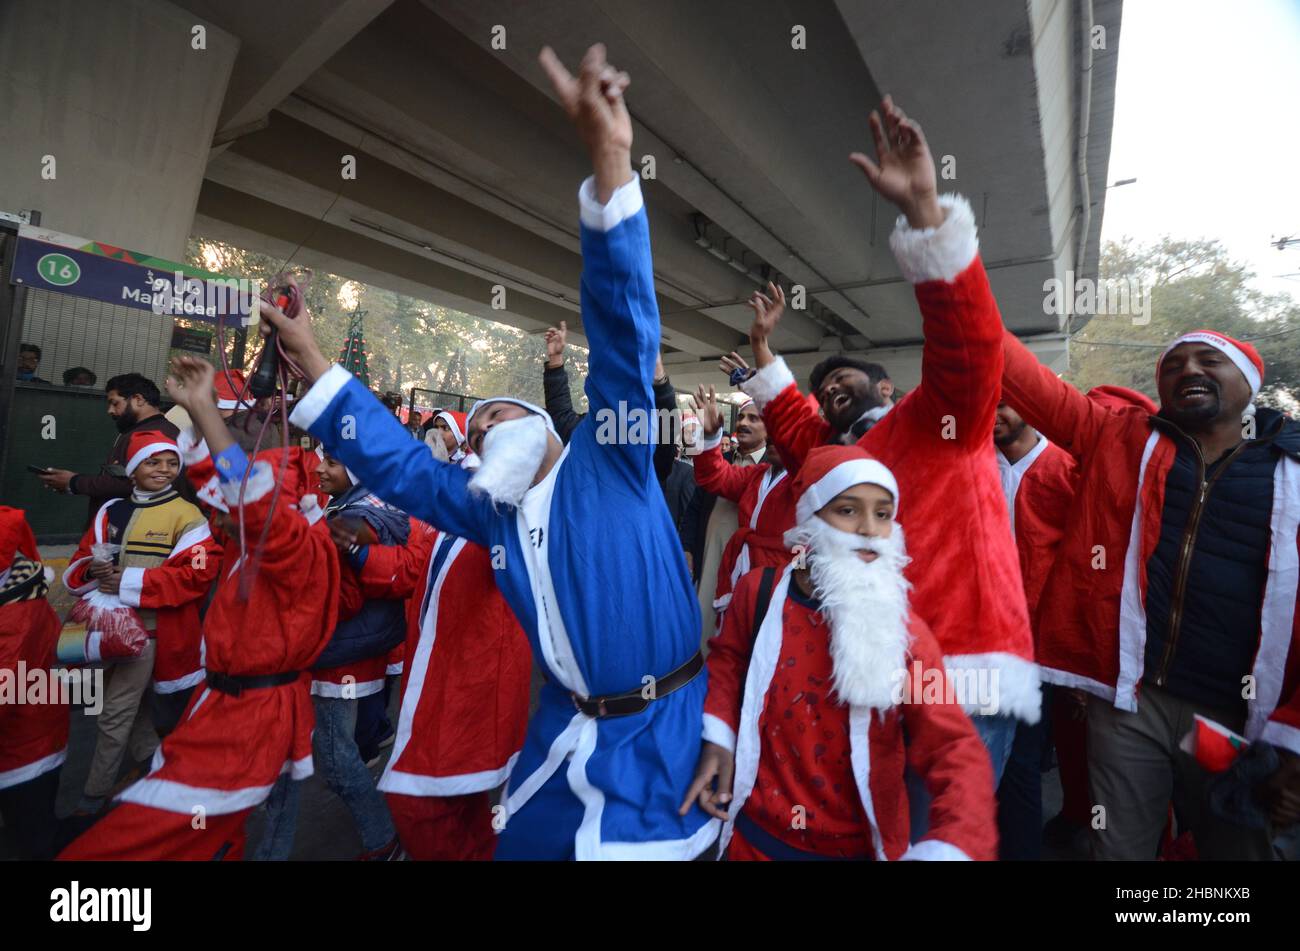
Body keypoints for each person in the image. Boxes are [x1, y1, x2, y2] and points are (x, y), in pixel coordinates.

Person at [272, 43, 717, 859]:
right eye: (475, 427)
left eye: (499, 413)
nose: (482, 429)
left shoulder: (609, 457)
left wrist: (611, 161)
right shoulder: (491, 517)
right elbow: (401, 467)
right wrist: (315, 359)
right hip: (560, 749)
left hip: (667, 746)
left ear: (548, 426)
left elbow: (623, 335)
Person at [739, 98, 1040, 781]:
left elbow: (968, 346)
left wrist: (925, 214)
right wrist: (762, 349)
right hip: (866, 673)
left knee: (940, 832)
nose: (830, 391)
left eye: (844, 379)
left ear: (886, 390)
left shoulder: (943, 419)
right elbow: (791, 423)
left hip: (960, 676)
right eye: (824, 388)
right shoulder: (839, 457)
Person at [1000, 327, 1300, 860]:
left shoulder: (1291, 473)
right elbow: (1013, 368)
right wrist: (944, 262)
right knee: (1116, 848)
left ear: (1251, 381)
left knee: (1235, 850)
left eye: (1209, 360)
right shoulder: (1121, 441)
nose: (1188, 370)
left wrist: (1294, 742)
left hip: (1232, 719)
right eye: (1173, 364)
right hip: (1131, 704)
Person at [59, 356, 338, 860]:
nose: (219, 513)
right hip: (223, 704)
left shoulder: (299, 547)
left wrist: (207, 410)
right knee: (210, 838)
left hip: (249, 719)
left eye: (231, 505)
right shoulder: (256, 538)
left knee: (121, 848)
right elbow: (230, 487)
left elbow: (247, 498)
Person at [681, 445, 996, 860]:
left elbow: (953, 747)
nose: (869, 528)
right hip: (752, 837)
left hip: (854, 848)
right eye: (848, 511)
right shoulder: (757, 592)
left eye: (883, 514)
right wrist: (718, 737)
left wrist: (950, 844)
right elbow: (729, 661)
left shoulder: (905, 633)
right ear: (811, 519)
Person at [360, 438, 532, 860]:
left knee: (421, 796)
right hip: (432, 678)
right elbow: (408, 570)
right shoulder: (442, 524)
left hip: (472, 688)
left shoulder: (511, 520)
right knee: (459, 801)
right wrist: (355, 551)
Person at [253, 450, 406, 860]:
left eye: (334, 463)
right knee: (287, 759)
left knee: (337, 765)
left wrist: (293, 527)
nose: (320, 469)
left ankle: (384, 840)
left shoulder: (368, 510)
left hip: (341, 662)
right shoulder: (341, 503)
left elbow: (356, 531)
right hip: (312, 654)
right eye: (320, 460)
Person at [61, 430, 219, 815]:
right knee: (137, 711)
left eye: (171, 462)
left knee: (113, 712)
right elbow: (79, 562)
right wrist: (91, 570)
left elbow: (197, 576)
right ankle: (155, 769)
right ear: (132, 469)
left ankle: (93, 799)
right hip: (105, 632)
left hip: (149, 635)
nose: (164, 470)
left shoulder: (189, 515)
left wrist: (128, 582)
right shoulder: (109, 511)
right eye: (152, 462)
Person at [989, 401, 1077, 859]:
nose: (993, 413)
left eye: (1004, 402)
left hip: (1036, 649)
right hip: (975, 642)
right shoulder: (972, 463)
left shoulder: (1066, 470)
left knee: (1020, 765)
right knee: (973, 758)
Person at [692, 385, 794, 626]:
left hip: (779, 585)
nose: (772, 438)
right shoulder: (755, 476)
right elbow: (714, 476)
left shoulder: (808, 482)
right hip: (739, 576)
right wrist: (710, 438)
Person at [0, 507, 69, 859]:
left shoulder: (15, 619)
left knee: (34, 840)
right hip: (32, 731)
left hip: (26, 748)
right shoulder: (23, 591)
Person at [38, 373, 183, 528]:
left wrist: (74, 482)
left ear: (139, 399)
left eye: (115, 403)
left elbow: (130, 483)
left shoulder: (156, 435)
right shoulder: (136, 431)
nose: (110, 410)